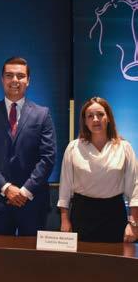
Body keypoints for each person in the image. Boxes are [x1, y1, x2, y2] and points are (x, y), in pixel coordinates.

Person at [0, 57, 56, 236]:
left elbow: (48, 158)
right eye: (9, 75)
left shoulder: (42, 114)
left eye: (20, 76)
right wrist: (6, 188)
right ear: (2, 79)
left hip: (33, 202)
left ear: (28, 80)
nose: (14, 80)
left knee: (32, 254)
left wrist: (24, 191)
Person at [58, 97, 138, 242]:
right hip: (82, 214)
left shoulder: (124, 148)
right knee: (82, 256)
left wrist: (134, 224)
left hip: (114, 214)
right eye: (90, 116)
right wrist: (64, 220)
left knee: (115, 256)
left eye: (100, 114)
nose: (95, 119)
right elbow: (65, 188)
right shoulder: (73, 148)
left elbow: (134, 189)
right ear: (85, 121)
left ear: (108, 118)